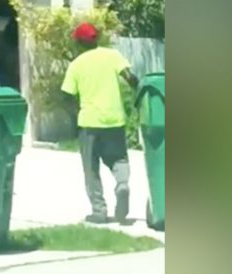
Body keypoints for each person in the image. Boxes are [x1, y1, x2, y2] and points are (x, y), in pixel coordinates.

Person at [61, 22, 139, 225]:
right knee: (119, 159)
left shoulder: (76, 64)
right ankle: (122, 184)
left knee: (91, 168)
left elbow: (66, 95)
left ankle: (99, 211)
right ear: (97, 39)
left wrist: (75, 114)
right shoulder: (112, 55)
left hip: (89, 122)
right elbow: (131, 78)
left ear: (78, 42)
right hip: (115, 119)